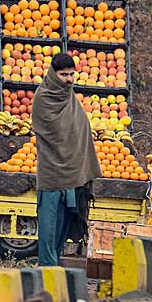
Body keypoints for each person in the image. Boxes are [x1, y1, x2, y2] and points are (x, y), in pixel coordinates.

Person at [32, 53, 102, 267]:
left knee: (62, 229)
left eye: (72, 74)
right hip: (53, 175)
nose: (69, 79)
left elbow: (79, 129)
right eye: (64, 75)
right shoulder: (43, 98)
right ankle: (46, 269)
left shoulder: (69, 97)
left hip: (72, 174)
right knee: (49, 229)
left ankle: (54, 269)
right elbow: (55, 133)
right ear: (54, 74)